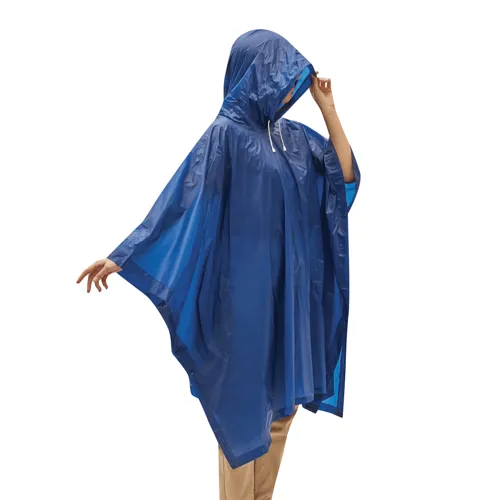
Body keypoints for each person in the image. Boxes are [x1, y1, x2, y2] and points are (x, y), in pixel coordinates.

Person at [77, 29, 360, 499]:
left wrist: (327, 109)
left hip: (289, 299)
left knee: (282, 410)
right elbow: (182, 202)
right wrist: (125, 255)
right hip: (243, 303)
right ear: (252, 74)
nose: (284, 85)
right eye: (275, 73)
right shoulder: (226, 135)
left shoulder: (292, 139)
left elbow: (343, 178)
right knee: (243, 411)